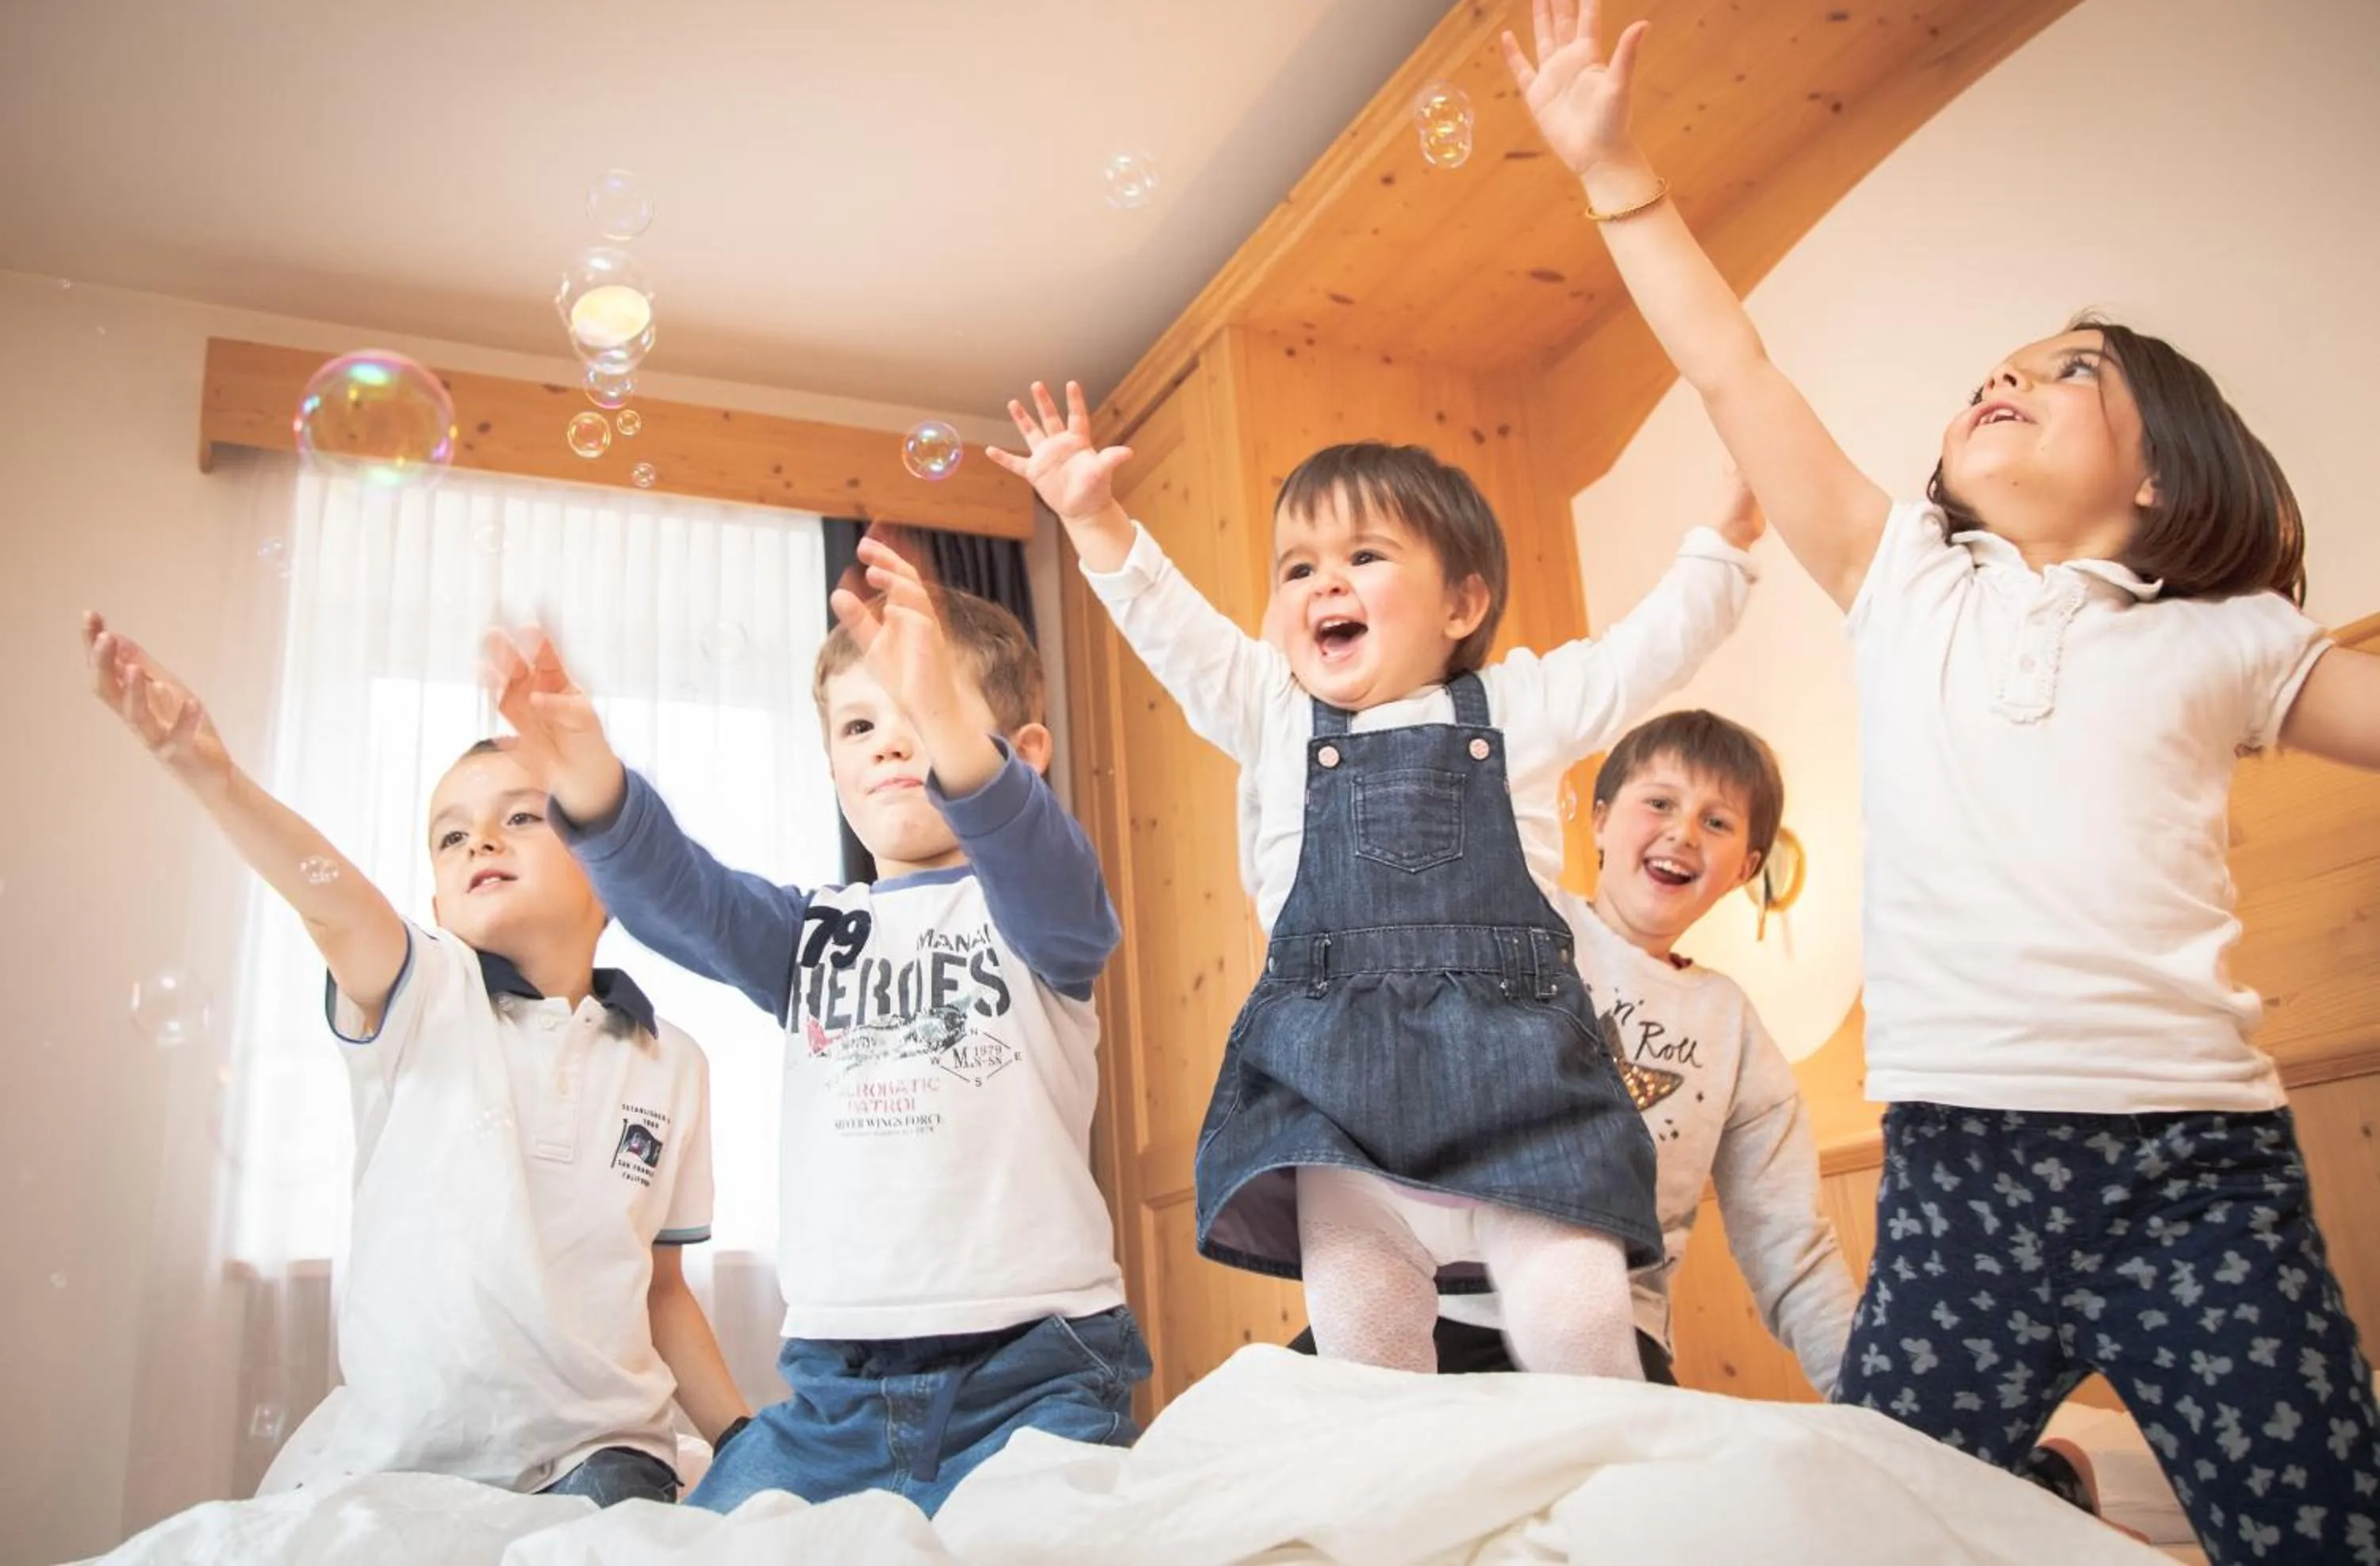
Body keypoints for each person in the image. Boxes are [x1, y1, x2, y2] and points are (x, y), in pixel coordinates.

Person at [1503, 0, 2380, 1560]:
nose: (2013, 374)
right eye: (2004, 361)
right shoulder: (1904, 574)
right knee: (1872, 1516)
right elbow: (1736, 371)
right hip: (1962, 1167)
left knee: (2320, 1518)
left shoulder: (2229, 634)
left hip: (2200, 1168)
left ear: (2168, 475)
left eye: (2071, 371)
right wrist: (1620, 178)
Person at [992, 382, 1760, 1378]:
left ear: (1462, 602)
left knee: (1578, 1320)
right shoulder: (1270, 709)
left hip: (1520, 1096)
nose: (1324, 584)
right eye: (1299, 566)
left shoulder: (1516, 706)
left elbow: (1644, 652)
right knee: (1368, 1352)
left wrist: (1729, 539)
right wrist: (1093, 516)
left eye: (1363, 557)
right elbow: (1170, 626)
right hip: (1336, 1106)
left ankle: (1611, 1505)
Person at [483, 539, 1147, 1516]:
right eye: (860, 724)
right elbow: (688, 896)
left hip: (1038, 1372)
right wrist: (586, 768)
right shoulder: (811, 936)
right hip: (837, 1392)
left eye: (919, 716)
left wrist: (958, 739)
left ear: (1023, 754)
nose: (887, 742)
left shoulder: (1037, 915)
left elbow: (1045, 868)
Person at [83, 613, 744, 1507]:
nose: (481, 841)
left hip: (602, 1446)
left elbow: (664, 1291)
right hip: (407, 1447)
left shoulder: (676, 1063)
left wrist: (742, 1440)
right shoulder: (424, 990)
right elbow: (335, 904)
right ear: (436, 894)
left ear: (608, 872)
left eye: (522, 816)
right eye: (452, 834)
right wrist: (212, 771)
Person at [1291, 709, 1858, 1400]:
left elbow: (1789, 1248)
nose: (1682, 832)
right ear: (1598, 821)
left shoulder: (1732, 1026)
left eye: (1717, 821)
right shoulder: (1517, 926)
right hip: (1440, 1306)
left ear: (1746, 867)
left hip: (1612, 1336)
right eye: (1659, 802)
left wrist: (1874, 1403)